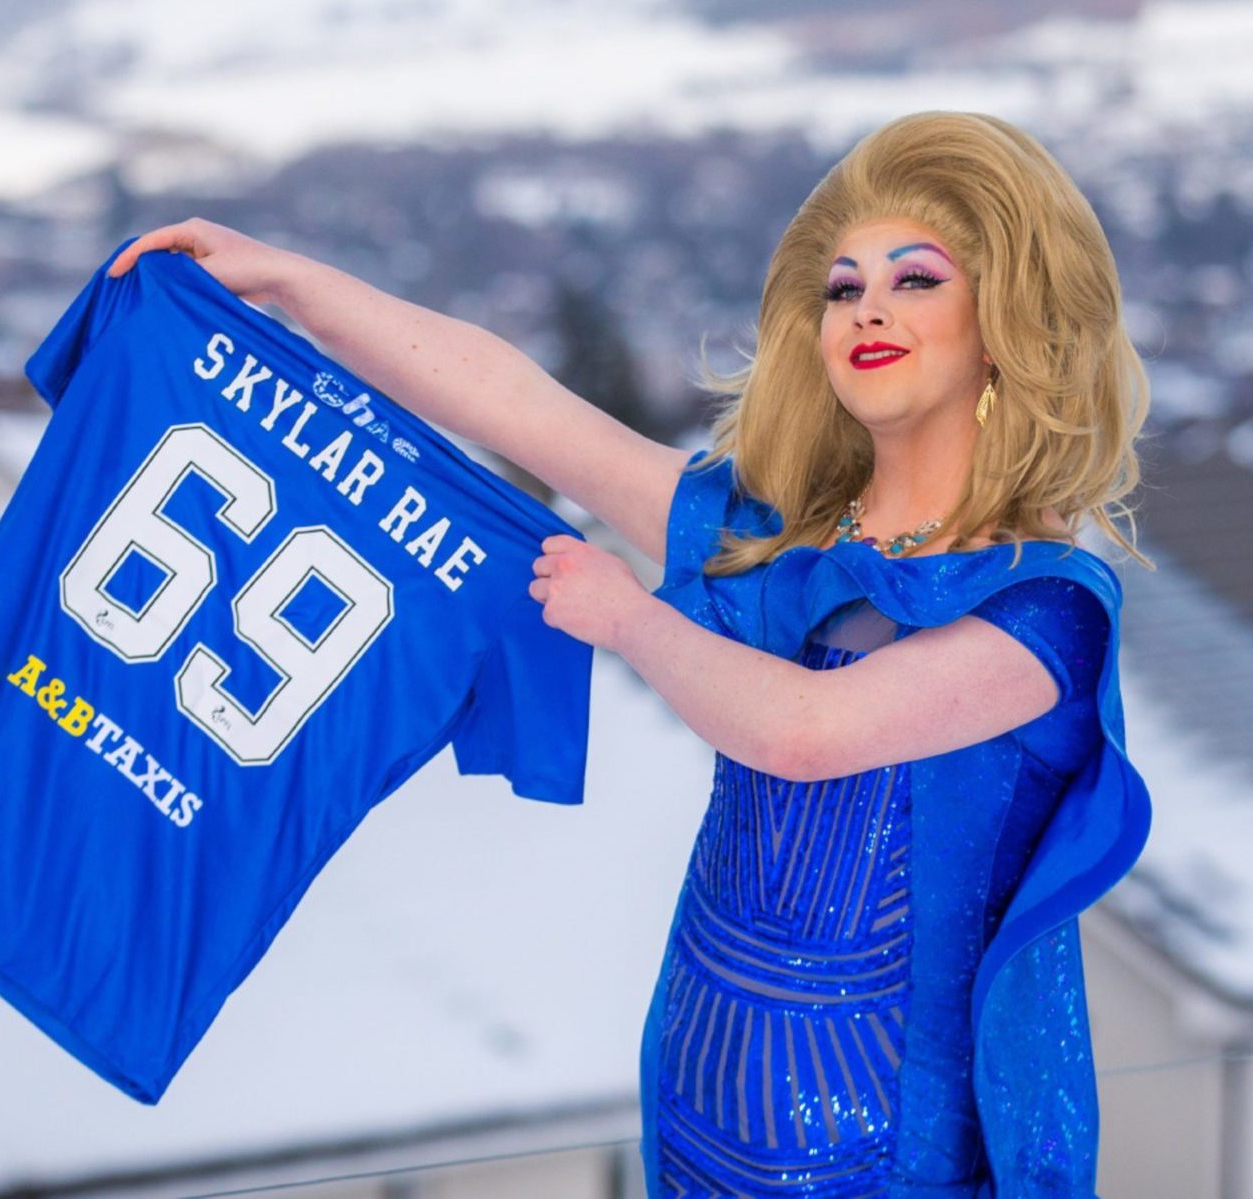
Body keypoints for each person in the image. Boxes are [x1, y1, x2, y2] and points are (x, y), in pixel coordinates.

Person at [109, 108, 1156, 1197]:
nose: (868, 308)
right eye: (842, 286)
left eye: (916, 278)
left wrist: (630, 617)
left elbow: (806, 731)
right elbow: (524, 409)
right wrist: (291, 283)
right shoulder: (774, 547)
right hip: (698, 1097)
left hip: (888, 1147)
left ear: (1010, 315)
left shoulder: (1045, 610)